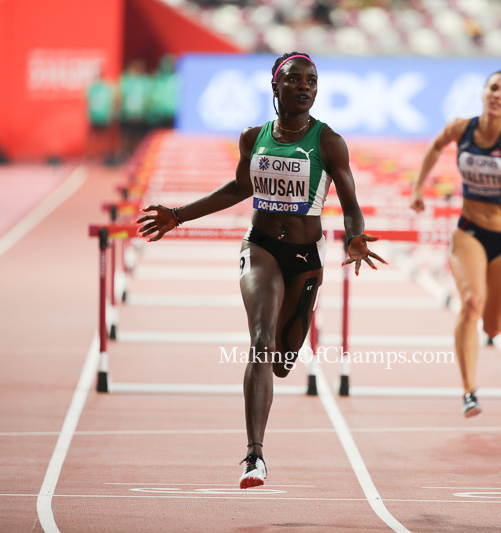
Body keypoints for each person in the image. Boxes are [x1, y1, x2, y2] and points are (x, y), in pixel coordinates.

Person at [136, 52, 386, 488]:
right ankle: (255, 456)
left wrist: (354, 236)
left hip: (306, 257)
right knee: (260, 341)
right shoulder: (254, 138)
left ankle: (273, 386)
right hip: (261, 247)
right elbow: (238, 188)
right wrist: (179, 215)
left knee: (285, 361)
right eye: (294, 80)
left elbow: (351, 207)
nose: (305, 87)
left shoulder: (329, 142)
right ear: (275, 86)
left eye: (311, 80)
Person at [410, 70, 501, 418]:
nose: (497, 95)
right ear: (484, 92)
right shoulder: (463, 128)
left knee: (492, 326)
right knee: (471, 302)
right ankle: (469, 391)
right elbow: (435, 145)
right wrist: (418, 187)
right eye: (493, 88)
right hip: (469, 231)